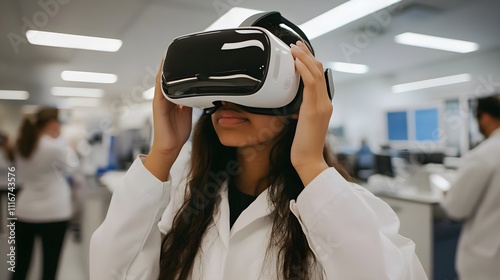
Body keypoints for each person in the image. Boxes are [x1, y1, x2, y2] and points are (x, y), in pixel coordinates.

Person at [90, 19, 427, 280]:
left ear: (299, 97)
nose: (230, 100)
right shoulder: (186, 201)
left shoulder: (346, 208)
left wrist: (310, 164)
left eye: (249, 83)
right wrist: (162, 153)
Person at [12, 107, 77, 280]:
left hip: (25, 210)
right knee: (49, 267)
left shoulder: (22, 144)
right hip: (54, 213)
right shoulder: (54, 147)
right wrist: (62, 141)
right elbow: (72, 166)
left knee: (21, 265)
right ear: (52, 123)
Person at [440, 94, 500, 280]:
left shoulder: (485, 154)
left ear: (485, 117)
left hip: (486, 262)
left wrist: (448, 195)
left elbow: (456, 209)